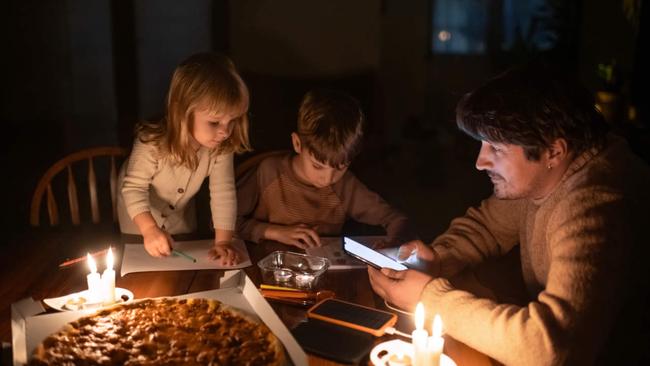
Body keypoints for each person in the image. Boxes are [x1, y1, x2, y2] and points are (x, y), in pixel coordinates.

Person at [368, 62, 650, 365]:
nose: (480, 162)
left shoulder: (597, 207)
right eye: (482, 143)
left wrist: (430, 297)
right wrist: (439, 259)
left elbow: (550, 348)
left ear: (554, 152)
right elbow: (487, 225)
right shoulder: (549, 171)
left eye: (497, 149)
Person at [236, 89, 415, 249]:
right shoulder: (269, 172)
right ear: (297, 143)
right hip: (266, 268)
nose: (328, 179)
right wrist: (274, 232)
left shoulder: (345, 186)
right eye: (317, 166)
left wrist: (395, 243)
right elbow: (224, 223)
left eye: (340, 168)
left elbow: (396, 219)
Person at [117, 52, 251, 266]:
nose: (225, 132)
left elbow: (223, 192)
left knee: (180, 267)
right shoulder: (151, 143)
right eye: (215, 123)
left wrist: (224, 241)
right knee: (145, 268)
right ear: (183, 111)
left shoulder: (221, 147)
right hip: (138, 217)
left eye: (232, 121)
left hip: (181, 216)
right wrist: (149, 229)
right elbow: (133, 188)